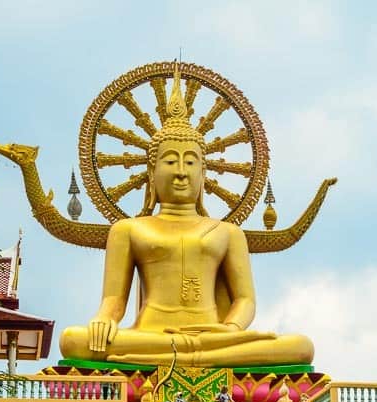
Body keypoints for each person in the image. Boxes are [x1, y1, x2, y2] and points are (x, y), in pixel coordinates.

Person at [59, 66, 314, 369]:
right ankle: (201, 356)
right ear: (151, 172)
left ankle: (196, 354)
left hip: (216, 335)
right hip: (151, 335)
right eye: (170, 161)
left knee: (300, 347)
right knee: (73, 340)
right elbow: (114, 302)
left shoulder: (228, 233)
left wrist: (230, 329)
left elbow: (245, 301)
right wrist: (103, 321)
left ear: (204, 172)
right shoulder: (127, 230)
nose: (181, 171)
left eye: (190, 162)